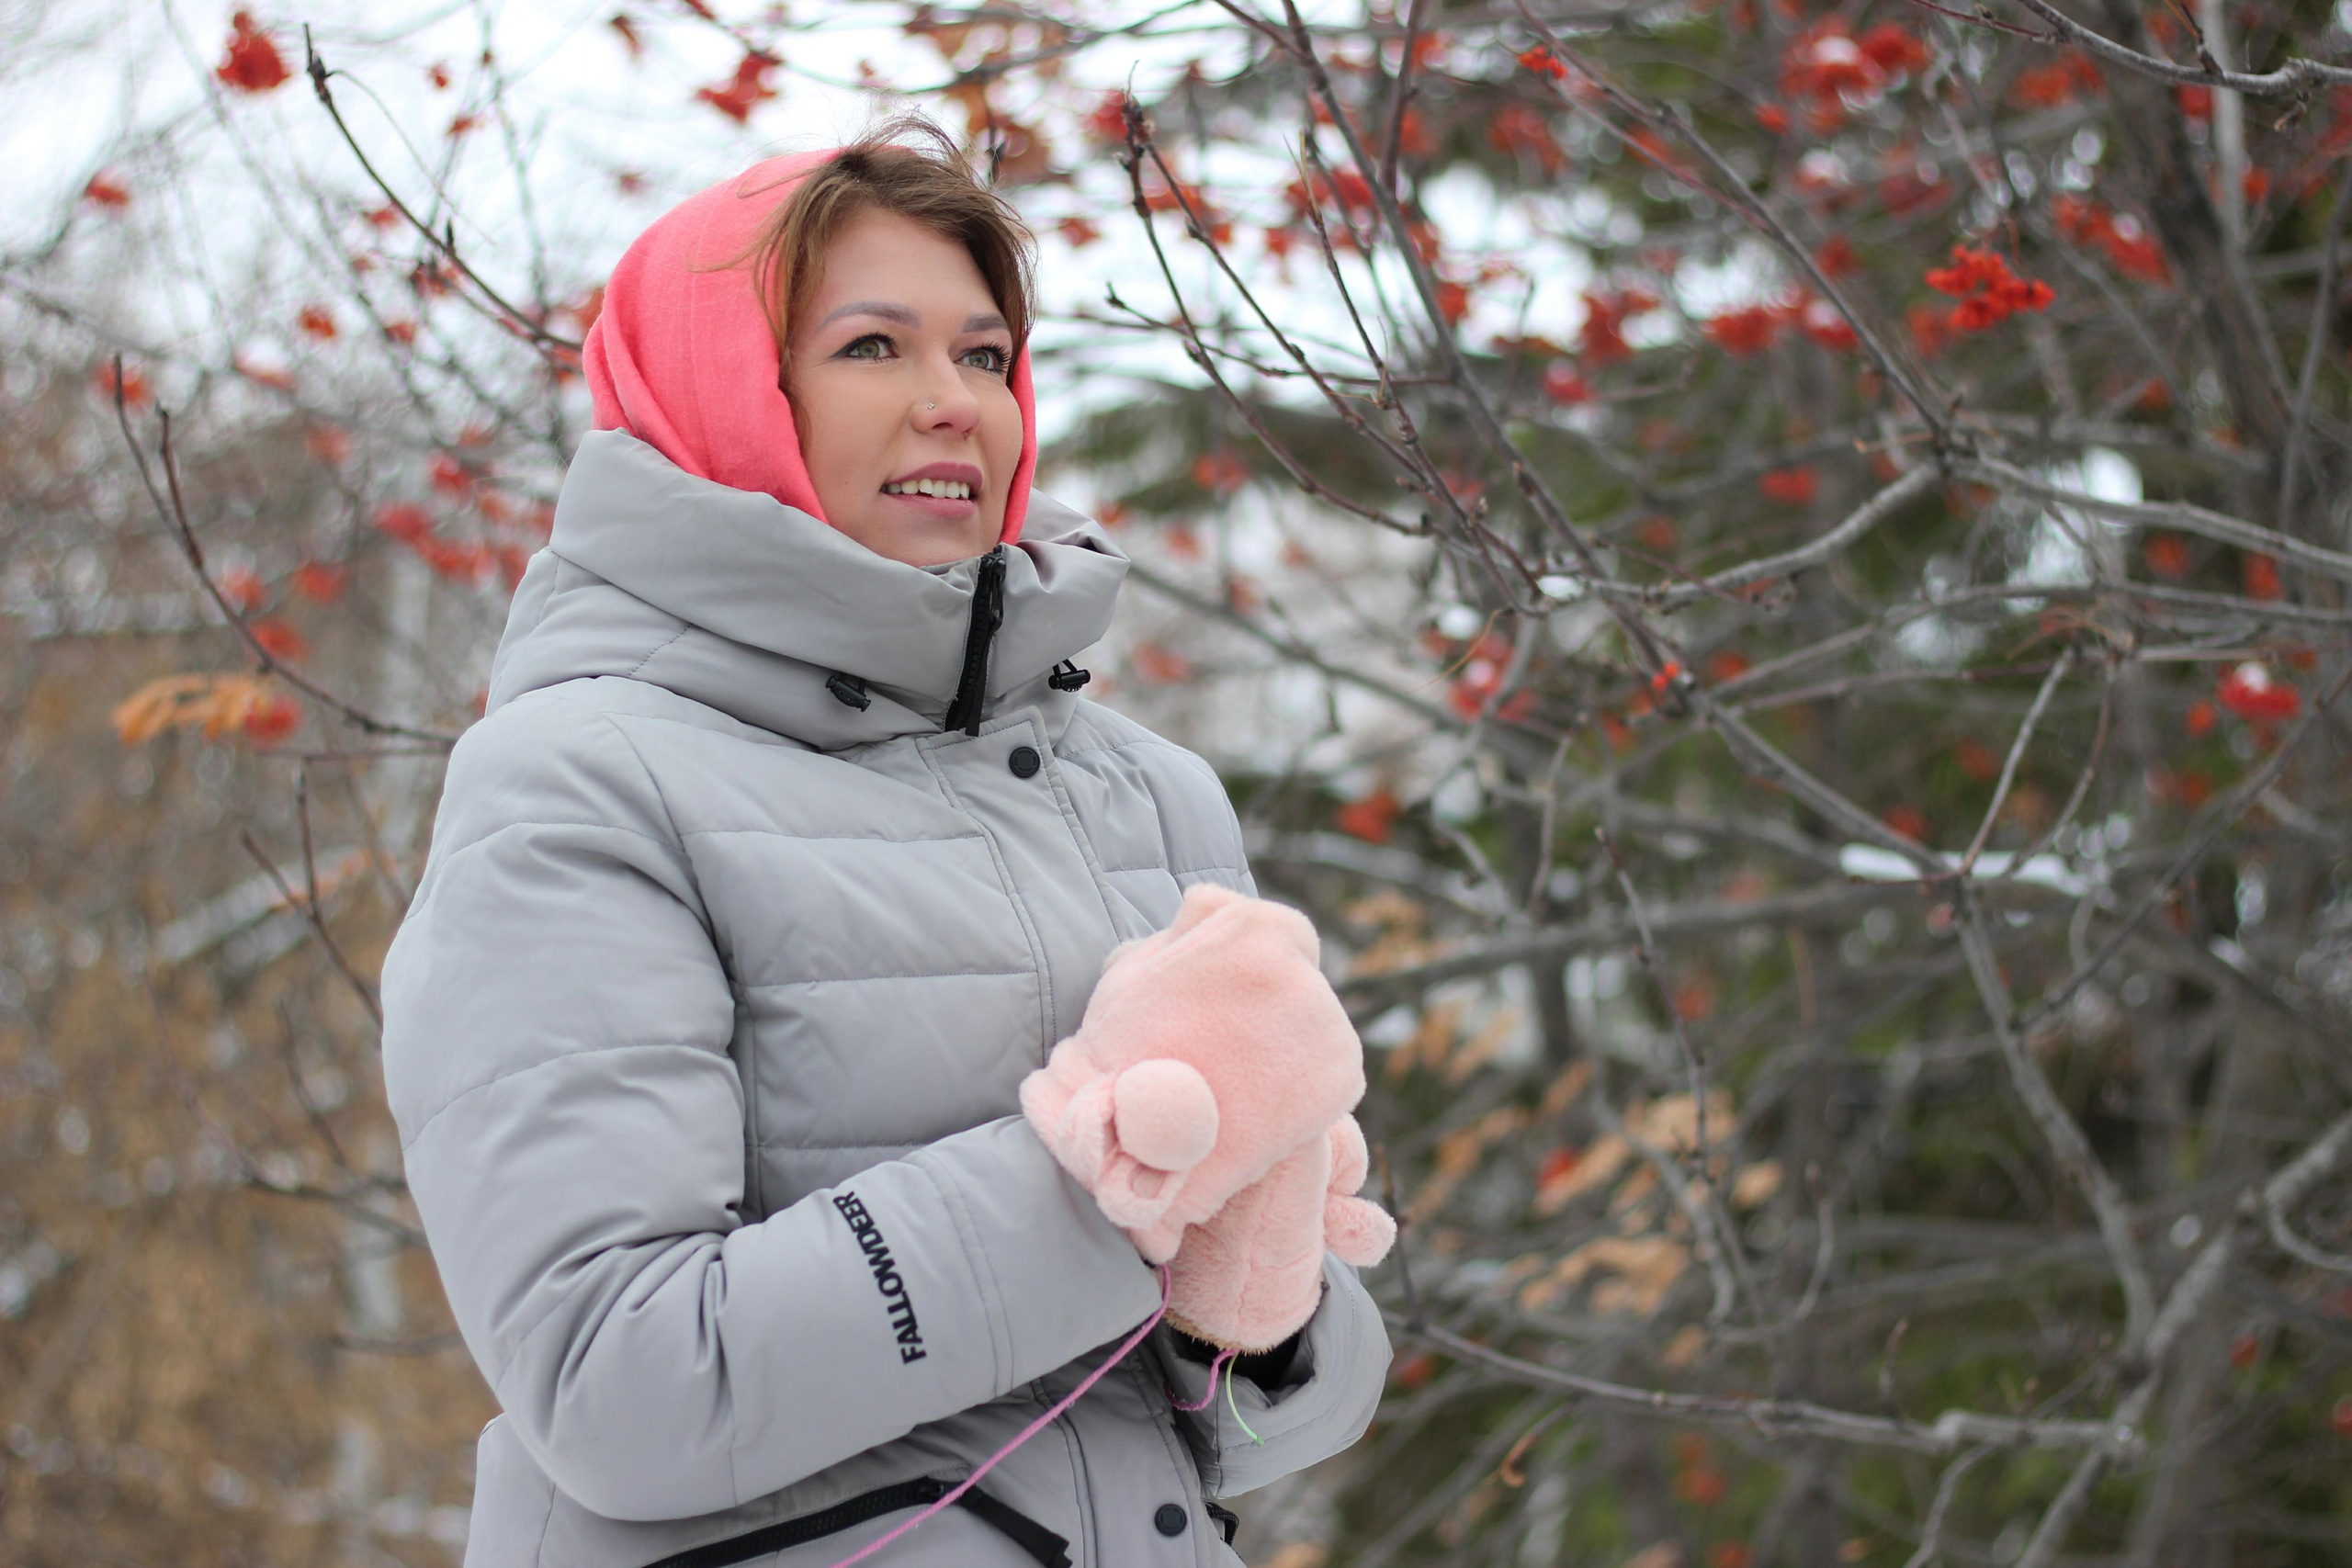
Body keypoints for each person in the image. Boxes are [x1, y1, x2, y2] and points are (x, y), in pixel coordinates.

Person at [378, 119, 1390, 1568]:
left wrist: (1266, 1303)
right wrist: (1107, 1178)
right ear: (730, 394)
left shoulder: (1151, 796)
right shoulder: (580, 783)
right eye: (872, 347)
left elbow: (1263, 1425)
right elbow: (619, 1384)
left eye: (985, 356)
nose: (951, 404)